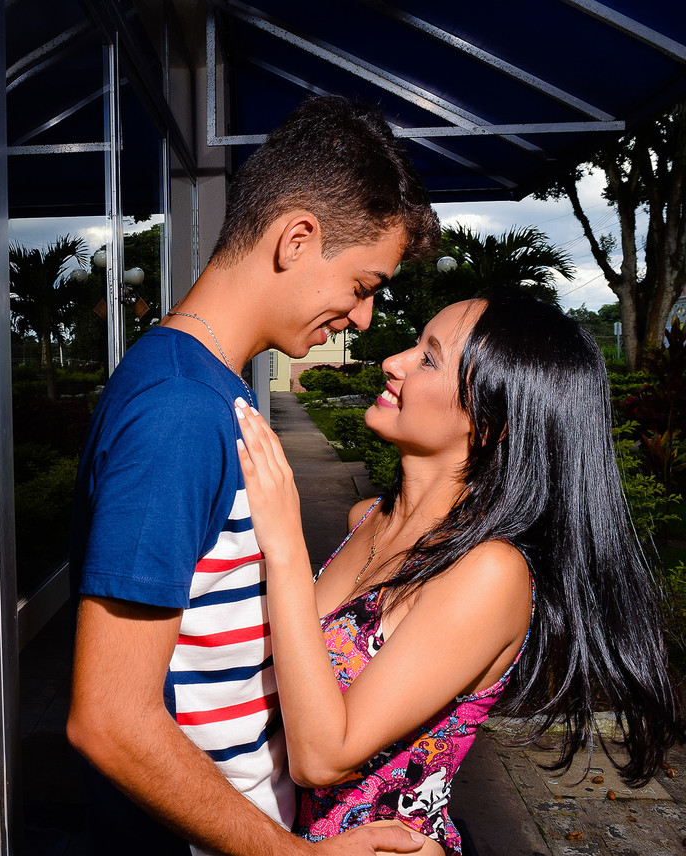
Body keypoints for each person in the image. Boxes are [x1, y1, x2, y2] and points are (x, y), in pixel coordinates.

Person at [66, 95, 441, 855]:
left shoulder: (209, 389)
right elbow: (110, 719)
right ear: (297, 238)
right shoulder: (178, 410)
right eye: (364, 286)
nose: (364, 319)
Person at [234, 294, 682, 854]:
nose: (393, 362)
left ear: (491, 420)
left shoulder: (490, 572)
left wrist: (284, 551)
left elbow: (323, 757)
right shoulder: (367, 519)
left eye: (428, 358)